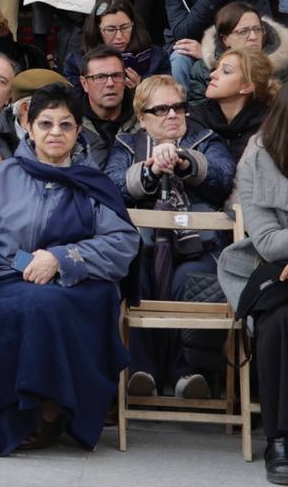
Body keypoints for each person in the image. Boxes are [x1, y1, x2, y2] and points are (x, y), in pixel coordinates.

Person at [0, 83, 138, 455]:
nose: (55, 133)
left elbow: (122, 244)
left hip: (78, 284)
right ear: (28, 127)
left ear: (78, 131)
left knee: (43, 306)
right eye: (45, 124)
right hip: (7, 276)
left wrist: (60, 258)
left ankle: (48, 410)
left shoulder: (94, 183)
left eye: (66, 125)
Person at [106, 75, 234, 402]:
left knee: (193, 278)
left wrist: (184, 162)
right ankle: (141, 371)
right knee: (136, 275)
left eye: (178, 107)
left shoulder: (206, 140)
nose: (173, 115)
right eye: (161, 109)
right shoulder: (125, 144)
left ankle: (188, 373)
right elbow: (112, 186)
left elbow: (221, 178)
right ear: (142, 117)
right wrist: (149, 171)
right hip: (144, 245)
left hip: (199, 246)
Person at [216, 80, 288, 484]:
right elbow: (266, 241)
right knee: (281, 319)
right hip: (278, 268)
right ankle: (281, 438)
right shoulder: (257, 158)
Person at [188, 0, 288, 103]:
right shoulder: (204, 70)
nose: (253, 37)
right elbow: (198, 109)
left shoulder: (284, 67)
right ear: (225, 39)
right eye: (243, 32)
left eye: (257, 29)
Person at [64, 0, 171, 88]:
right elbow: (74, 103)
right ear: (97, 30)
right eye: (110, 30)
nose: (119, 36)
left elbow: (167, 99)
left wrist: (141, 91)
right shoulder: (76, 61)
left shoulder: (157, 57)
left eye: (125, 27)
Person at [192, 47, 277, 164]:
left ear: (247, 86)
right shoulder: (195, 117)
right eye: (216, 68)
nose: (212, 74)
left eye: (226, 71)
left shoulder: (270, 127)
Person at [76, 46, 137, 155]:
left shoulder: (144, 117)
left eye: (117, 75)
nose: (110, 84)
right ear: (84, 83)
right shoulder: (71, 122)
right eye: (100, 77)